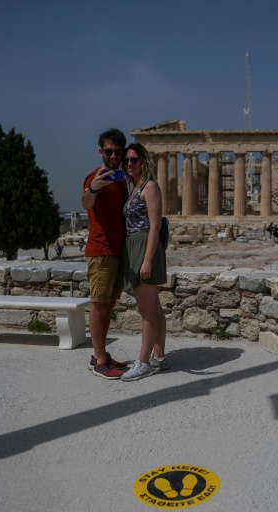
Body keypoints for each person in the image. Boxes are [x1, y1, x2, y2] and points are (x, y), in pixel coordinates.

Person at [82, 128, 130, 380]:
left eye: (117, 152)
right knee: (99, 305)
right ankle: (100, 361)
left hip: (116, 250)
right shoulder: (95, 177)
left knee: (109, 305)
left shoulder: (121, 179)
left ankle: (99, 355)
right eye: (109, 151)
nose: (113, 156)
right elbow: (86, 202)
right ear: (101, 151)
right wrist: (94, 187)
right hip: (100, 251)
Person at [119, 142, 167, 382]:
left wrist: (147, 260)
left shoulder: (149, 187)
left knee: (146, 311)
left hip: (145, 248)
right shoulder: (133, 188)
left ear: (143, 161)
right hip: (135, 247)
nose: (129, 164)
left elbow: (155, 225)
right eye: (126, 160)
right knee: (154, 307)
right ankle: (158, 357)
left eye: (134, 160)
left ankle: (144, 362)